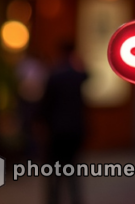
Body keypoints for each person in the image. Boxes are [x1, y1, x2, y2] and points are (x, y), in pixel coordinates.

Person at [40, 43, 87, 204]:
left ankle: (53, 199)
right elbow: (88, 76)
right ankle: (75, 199)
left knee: (54, 169)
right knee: (72, 167)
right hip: (74, 129)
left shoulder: (55, 75)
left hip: (57, 129)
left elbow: (45, 104)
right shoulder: (77, 75)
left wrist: (41, 124)